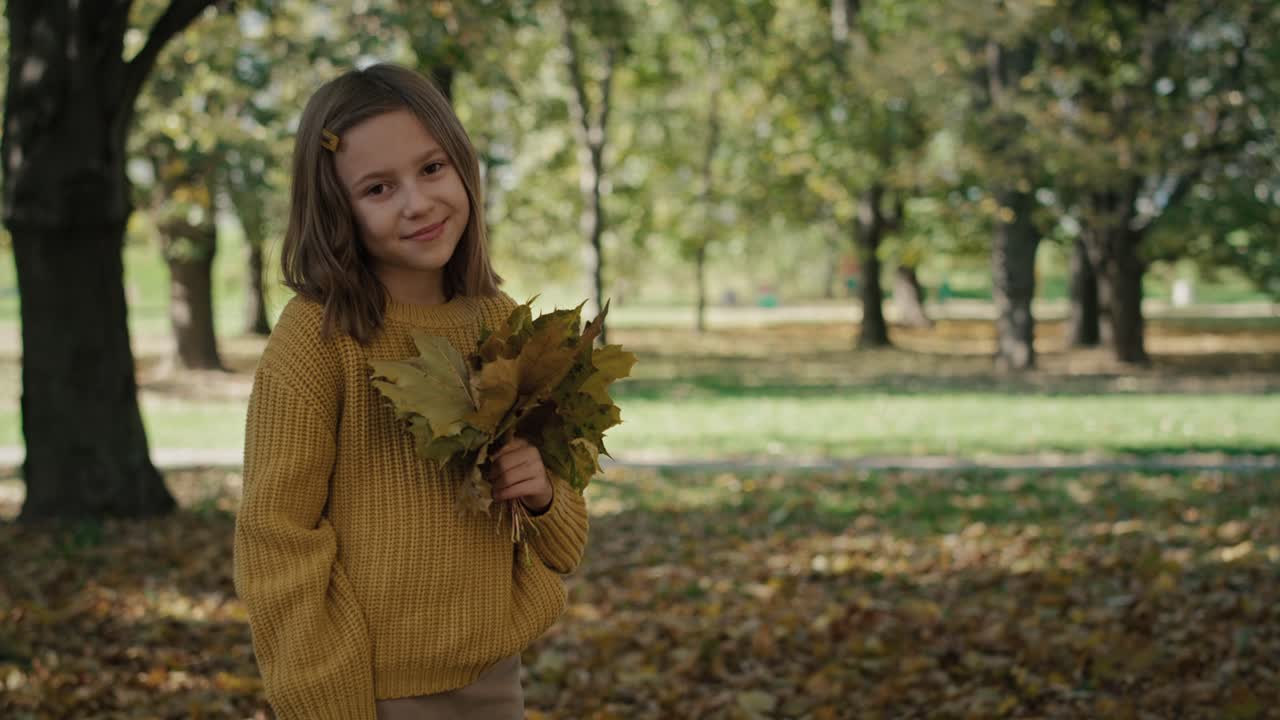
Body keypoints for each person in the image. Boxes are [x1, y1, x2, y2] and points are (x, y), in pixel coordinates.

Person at [232, 63, 590, 720]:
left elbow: (563, 542)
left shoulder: (495, 321)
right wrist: (328, 705)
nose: (417, 202)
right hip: (373, 692)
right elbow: (277, 537)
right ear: (338, 209)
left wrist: (540, 492)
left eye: (431, 169)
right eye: (377, 187)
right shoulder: (321, 336)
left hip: (494, 677)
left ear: (463, 166)